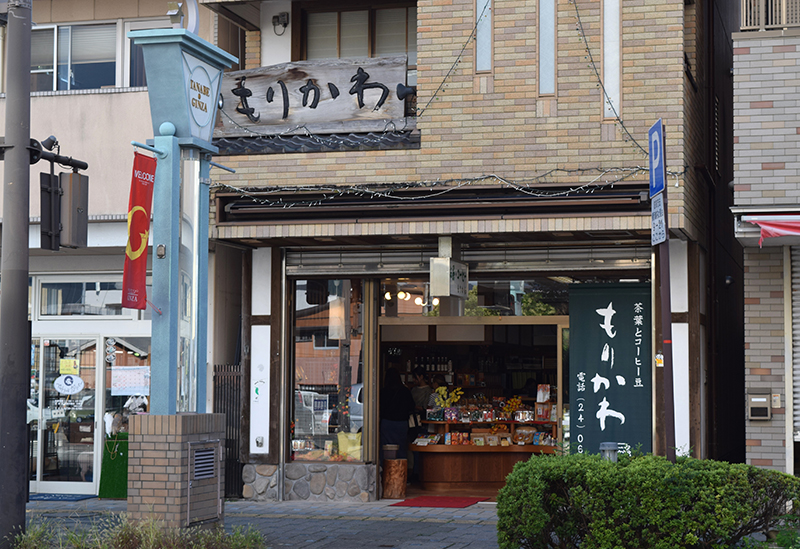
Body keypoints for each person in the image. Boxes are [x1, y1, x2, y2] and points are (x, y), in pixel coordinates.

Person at [380, 367, 415, 460]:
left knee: (386, 449)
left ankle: (388, 470)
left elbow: (380, 408)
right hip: (401, 423)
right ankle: (400, 471)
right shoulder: (405, 391)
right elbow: (411, 406)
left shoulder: (383, 392)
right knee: (401, 448)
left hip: (387, 423)